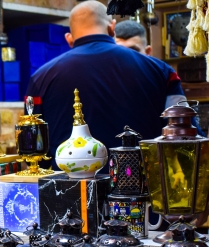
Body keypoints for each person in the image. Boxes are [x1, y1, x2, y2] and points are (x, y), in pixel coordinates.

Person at [26, 1, 186, 164]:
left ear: (69, 39)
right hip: (144, 182)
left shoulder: (41, 79)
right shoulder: (161, 71)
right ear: (112, 28)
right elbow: (184, 135)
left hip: (68, 186)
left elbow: (32, 150)